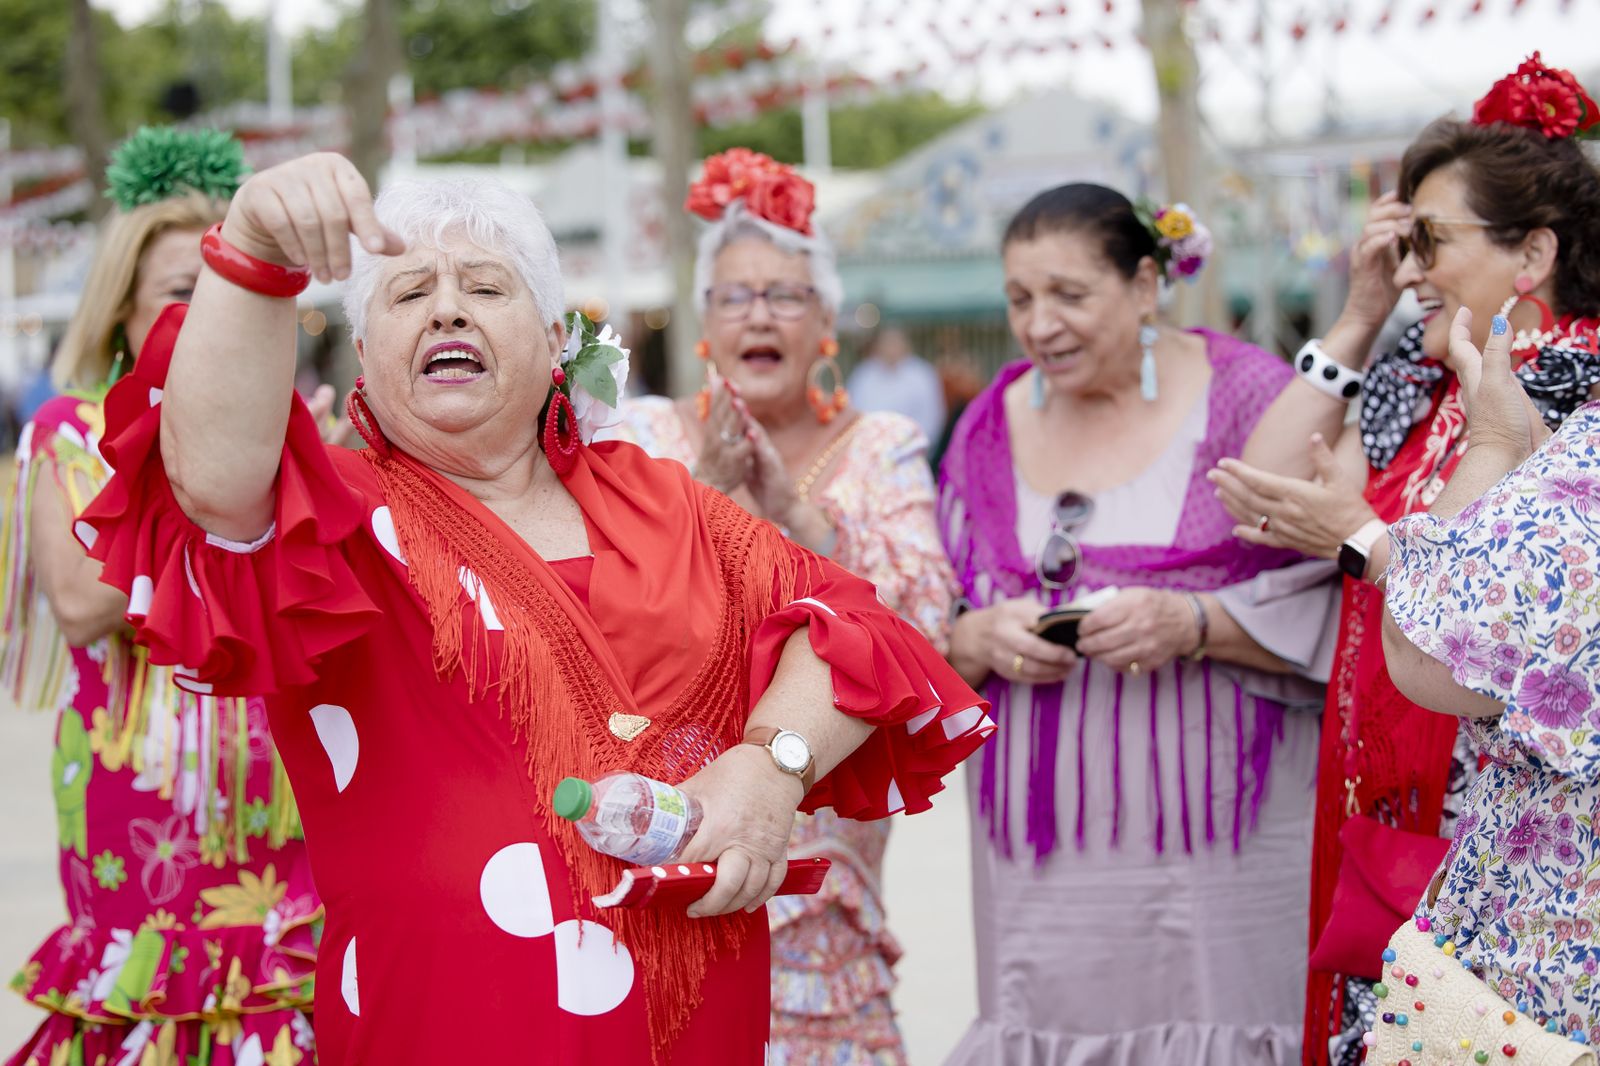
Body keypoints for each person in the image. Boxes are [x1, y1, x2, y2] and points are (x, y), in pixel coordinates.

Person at [72, 151, 993, 1064]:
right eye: (405, 295)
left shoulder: (661, 500)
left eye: (484, 286)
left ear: (556, 337)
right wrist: (253, 253)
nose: (445, 308)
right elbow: (212, 483)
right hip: (436, 1025)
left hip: (699, 1023)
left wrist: (772, 766)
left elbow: (854, 627)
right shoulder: (342, 516)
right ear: (363, 353)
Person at [1205, 54, 1600, 1064]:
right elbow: (1252, 487)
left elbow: (1473, 615)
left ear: (1533, 254)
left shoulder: (1572, 404)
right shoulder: (1412, 389)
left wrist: (1384, 528)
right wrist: (1357, 310)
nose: (1412, 262)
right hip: (1376, 791)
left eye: (1429, 238)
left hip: (1495, 811)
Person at [938, 183, 1337, 1065]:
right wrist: (974, 641)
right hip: (1047, 859)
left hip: (1225, 828)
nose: (1040, 324)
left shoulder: (1248, 399)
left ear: (1147, 284)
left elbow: (1343, 589)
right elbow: (932, 618)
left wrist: (1193, 622)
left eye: (1069, 295)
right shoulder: (986, 429)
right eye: (1019, 299)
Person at [619, 147, 958, 1065]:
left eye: (786, 296)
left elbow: (924, 619)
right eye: (735, 296)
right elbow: (599, 606)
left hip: (823, 860)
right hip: (664, 837)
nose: (759, 314)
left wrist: (798, 515)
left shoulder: (877, 444)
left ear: (827, 326)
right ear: (704, 323)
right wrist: (702, 496)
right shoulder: (644, 436)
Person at [2, 129, 320, 1066]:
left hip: (276, 774)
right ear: (121, 316)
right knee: (151, 995)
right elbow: (80, 605)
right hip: (134, 773)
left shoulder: (294, 431)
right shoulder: (71, 430)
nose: (207, 309)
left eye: (225, 285)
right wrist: (202, 484)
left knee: (281, 987)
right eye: (182, 292)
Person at [1383, 304, 1600, 1046]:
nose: (1413, 274)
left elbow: (1424, 650)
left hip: (1553, 984)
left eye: (1431, 239)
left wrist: (1497, 442)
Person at [845, 325, 946, 444]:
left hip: (910, 447)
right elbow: (852, 410)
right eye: (886, 343)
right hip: (870, 446)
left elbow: (932, 417)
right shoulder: (864, 374)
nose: (890, 348)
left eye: (894, 343)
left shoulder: (922, 374)